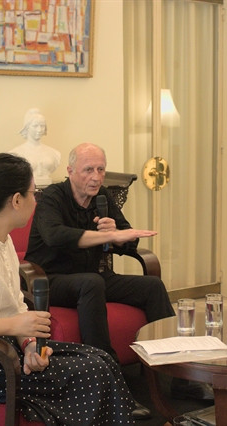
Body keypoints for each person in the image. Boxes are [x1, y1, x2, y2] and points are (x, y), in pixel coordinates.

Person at [0, 153, 135, 424]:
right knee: (91, 372)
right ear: (16, 200)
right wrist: (15, 326)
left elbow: (15, 307)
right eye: (33, 193)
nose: (36, 201)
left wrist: (30, 345)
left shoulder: (2, 240)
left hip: (2, 345)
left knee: (101, 360)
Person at [25, 143, 213, 410]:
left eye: (101, 169)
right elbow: (55, 235)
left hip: (94, 278)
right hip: (51, 280)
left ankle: (181, 374)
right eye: (88, 170)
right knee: (91, 283)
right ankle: (109, 380)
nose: (96, 177)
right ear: (70, 171)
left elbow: (128, 238)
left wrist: (116, 234)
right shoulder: (53, 197)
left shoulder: (102, 197)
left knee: (152, 286)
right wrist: (106, 236)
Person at [10, 108, 61, 186]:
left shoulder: (55, 153)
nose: (39, 129)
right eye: (35, 126)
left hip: (48, 189)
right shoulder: (15, 154)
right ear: (27, 127)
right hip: (26, 188)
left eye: (42, 126)